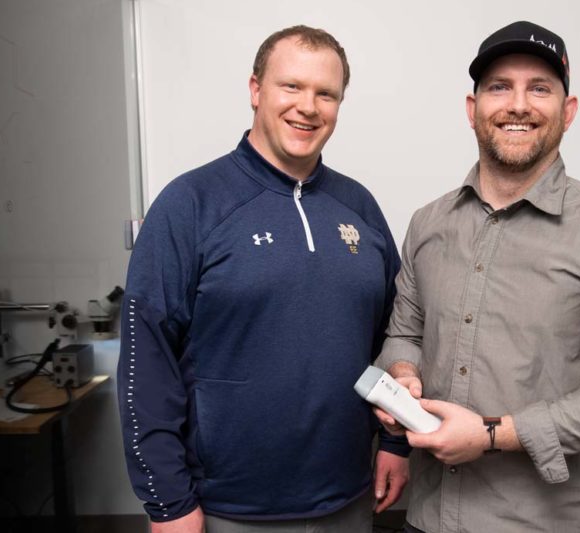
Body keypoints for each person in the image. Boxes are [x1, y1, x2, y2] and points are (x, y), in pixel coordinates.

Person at [373, 21, 580, 533]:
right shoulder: (428, 223)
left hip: (543, 522)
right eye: (500, 87)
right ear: (473, 109)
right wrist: (402, 377)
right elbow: (407, 332)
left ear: (567, 112)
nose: (518, 105)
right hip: (430, 515)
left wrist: (493, 434)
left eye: (539, 88)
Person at [117, 25, 409, 533]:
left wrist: (394, 443)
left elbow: (396, 339)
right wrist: (167, 502)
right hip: (226, 509)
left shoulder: (359, 208)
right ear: (256, 90)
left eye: (326, 93)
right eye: (291, 86)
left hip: (350, 497)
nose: (308, 107)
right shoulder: (190, 205)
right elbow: (147, 362)